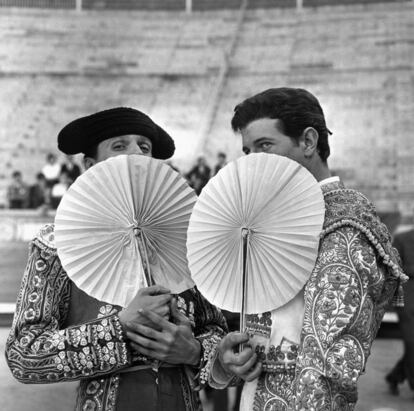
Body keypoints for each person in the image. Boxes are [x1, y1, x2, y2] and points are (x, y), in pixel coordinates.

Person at [5, 107, 227, 411]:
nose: (136, 153)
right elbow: (24, 355)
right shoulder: (58, 243)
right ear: (90, 165)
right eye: (119, 145)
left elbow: (215, 330)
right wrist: (119, 328)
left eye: (144, 147)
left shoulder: (185, 237)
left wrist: (193, 352)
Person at [208, 88, 407, 410]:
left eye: (265, 145)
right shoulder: (274, 220)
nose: (254, 161)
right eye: (248, 151)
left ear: (308, 142)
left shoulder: (344, 228)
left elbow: (329, 367)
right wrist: (230, 361)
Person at [385, 227, 414, 396]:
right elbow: (394, 269)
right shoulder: (402, 239)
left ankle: (394, 377)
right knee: (412, 343)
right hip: (408, 302)